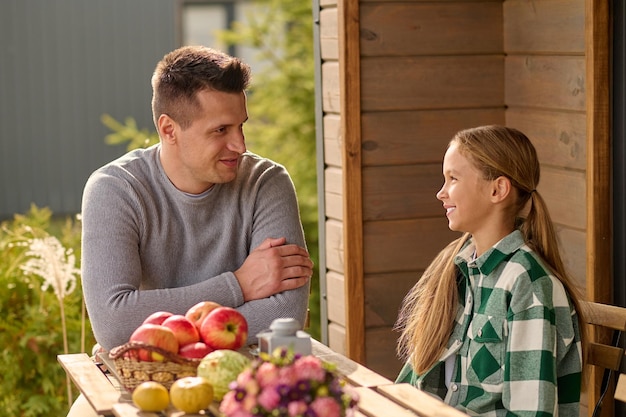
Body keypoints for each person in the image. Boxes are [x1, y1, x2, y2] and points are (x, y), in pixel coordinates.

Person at [81, 45, 313, 353]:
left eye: (240, 125)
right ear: (169, 129)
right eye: (220, 130)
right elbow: (114, 325)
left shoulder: (266, 182)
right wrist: (239, 285)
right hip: (145, 380)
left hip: (246, 379)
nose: (240, 145)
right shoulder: (116, 190)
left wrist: (159, 332)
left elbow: (284, 315)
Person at [394, 125, 585, 416]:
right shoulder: (458, 270)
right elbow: (411, 386)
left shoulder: (527, 284)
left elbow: (530, 412)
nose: (440, 193)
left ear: (497, 189)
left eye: (453, 179)